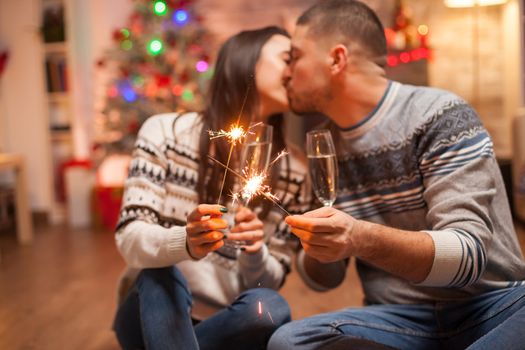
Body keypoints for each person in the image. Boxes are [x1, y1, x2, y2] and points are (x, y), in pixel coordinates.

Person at [268, 1, 525, 349]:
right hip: (400, 319)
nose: (286, 72)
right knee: (291, 340)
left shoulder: (438, 115)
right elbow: (325, 282)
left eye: (294, 56)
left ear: (336, 59)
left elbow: (468, 257)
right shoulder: (323, 146)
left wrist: (359, 237)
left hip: (490, 307)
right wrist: (318, 246)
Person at [112, 26, 308, 350]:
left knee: (271, 307)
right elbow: (130, 239)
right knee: (161, 273)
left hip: (225, 323)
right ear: (246, 61)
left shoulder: (293, 171)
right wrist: (184, 241)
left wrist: (255, 250)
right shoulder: (165, 133)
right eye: (288, 59)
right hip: (149, 311)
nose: (296, 71)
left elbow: (267, 282)